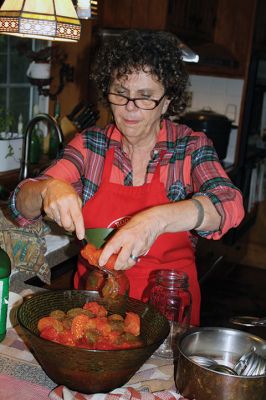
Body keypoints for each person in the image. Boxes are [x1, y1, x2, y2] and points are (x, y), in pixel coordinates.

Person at [10, 30, 245, 326]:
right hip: (93, 312)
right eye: (121, 93)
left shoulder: (189, 148)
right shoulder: (89, 146)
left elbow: (229, 203)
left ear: (167, 100)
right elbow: (20, 206)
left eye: (145, 97)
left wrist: (155, 220)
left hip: (168, 314)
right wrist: (47, 189)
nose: (130, 108)